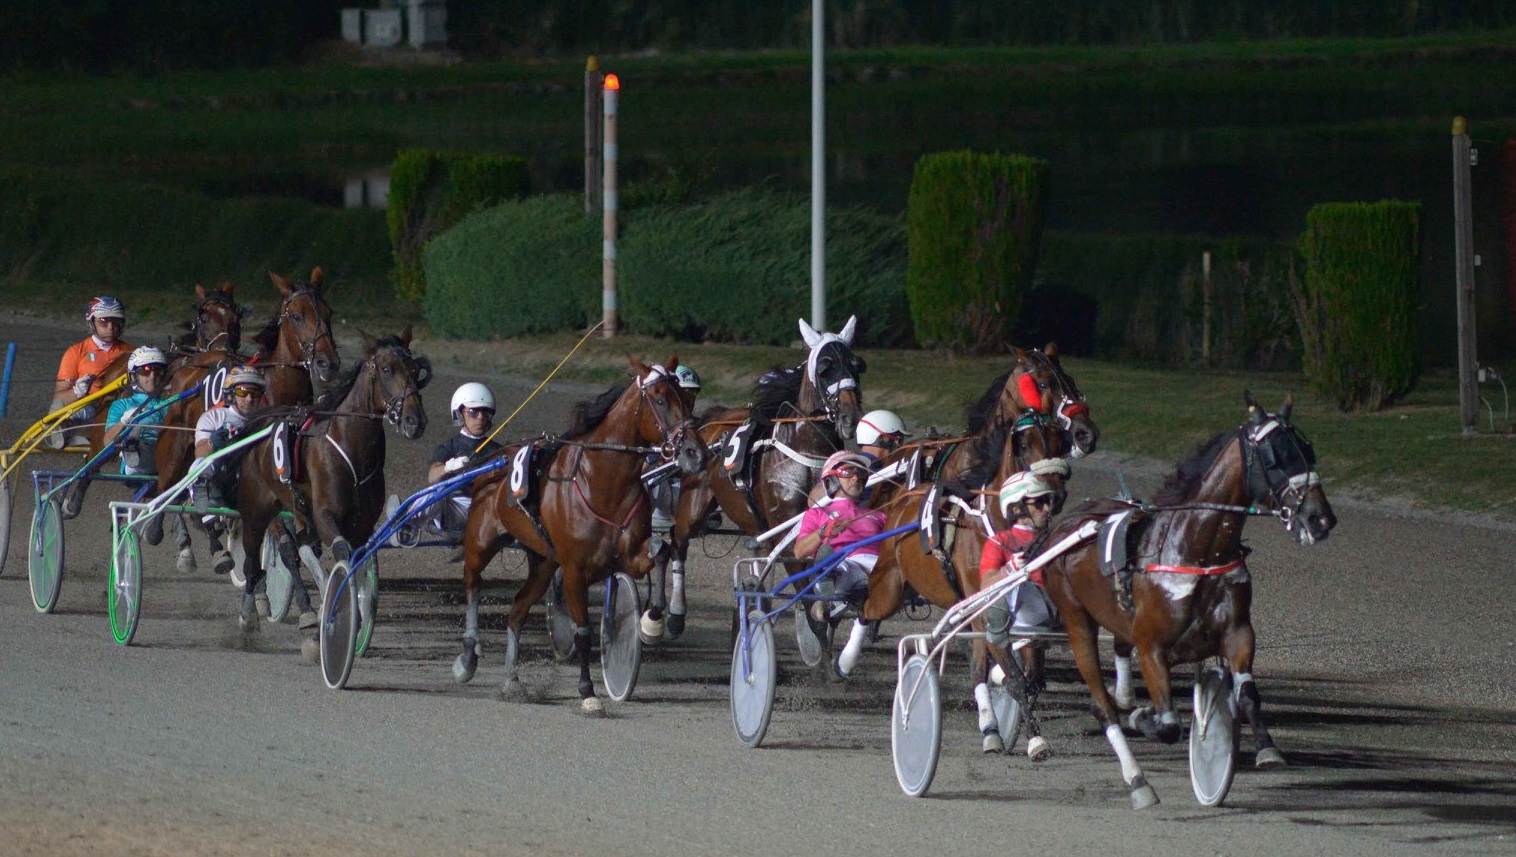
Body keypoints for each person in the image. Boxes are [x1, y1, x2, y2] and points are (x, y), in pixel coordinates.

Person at [975, 469, 1060, 761]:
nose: (1047, 508)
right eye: (1040, 503)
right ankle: (1033, 732)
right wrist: (1010, 570)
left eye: (1048, 501)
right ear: (1016, 508)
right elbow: (986, 585)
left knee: (1034, 678)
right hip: (1013, 610)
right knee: (1003, 596)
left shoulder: (1056, 539)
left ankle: (1002, 675)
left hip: (1046, 611)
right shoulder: (1000, 542)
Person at [794, 451, 888, 621]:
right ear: (832, 480)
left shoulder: (879, 515)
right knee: (840, 566)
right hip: (846, 564)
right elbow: (799, 552)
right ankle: (827, 576)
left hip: (878, 566)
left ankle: (827, 578)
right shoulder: (816, 513)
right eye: (848, 472)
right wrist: (823, 532)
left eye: (861, 473)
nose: (856, 477)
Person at [193, 365, 266, 575]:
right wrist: (217, 442)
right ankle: (213, 541)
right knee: (198, 467)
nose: (250, 399)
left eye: (255, 393)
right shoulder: (214, 417)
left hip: (254, 480)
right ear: (231, 394)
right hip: (221, 475)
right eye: (243, 392)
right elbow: (201, 451)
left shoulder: (264, 421)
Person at [420, 383, 503, 547]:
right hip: (454, 504)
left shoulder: (497, 450)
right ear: (460, 414)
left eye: (485, 412)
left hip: (485, 506)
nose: (480, 417)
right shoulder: (449, 447)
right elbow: (432, 475)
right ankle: (407, 520)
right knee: (433, 493)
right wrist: (449, 467)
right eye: (473, 412)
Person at [47, 295, 133, 449]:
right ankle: (64, 435)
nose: (110, 326)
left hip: (122, 408)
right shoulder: (76, 352)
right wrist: (77, 392)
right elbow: (59, 397)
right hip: (90, 407)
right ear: (91, 322)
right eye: (104, 321)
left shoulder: (132, 352)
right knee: (58, 408)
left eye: (115, 321)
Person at [103, 346, 172, 476]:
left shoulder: (169, 404)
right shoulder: (121, 405)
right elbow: (107, 442)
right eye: (145, 371)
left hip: (165, 455)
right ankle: (132, 447)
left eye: (158, 371)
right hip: (138, 461)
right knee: (138, 440)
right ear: (133, 375)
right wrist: (123, 421)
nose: (152, 376)